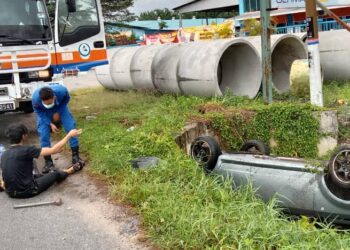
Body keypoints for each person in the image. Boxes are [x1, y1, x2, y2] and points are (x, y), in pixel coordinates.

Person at [0, 124, 83, 199]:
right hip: (28, 191)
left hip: (10, 192)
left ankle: (60, 172)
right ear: (24, 136)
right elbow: (54, 150)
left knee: (38, 174)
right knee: (54, 173)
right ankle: (69, 170)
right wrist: (69, 135)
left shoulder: (4, 154)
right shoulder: (27, 150)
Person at [32, 84, 84, 173]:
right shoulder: (36, 99)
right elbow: (38, 111)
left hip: (60, 107)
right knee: (43, 133)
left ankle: (76, 156)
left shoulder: (62, 91)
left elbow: (67, 99)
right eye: (45, 103)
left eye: (49, 103)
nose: (47, 104)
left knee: (70, 127)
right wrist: (50, 123)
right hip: (44, 112)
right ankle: (48, 162)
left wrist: (58, 112)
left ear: (54, 97)